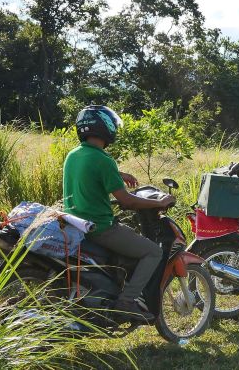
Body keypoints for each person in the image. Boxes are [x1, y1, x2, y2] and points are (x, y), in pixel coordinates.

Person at [62, 105, 174, 321]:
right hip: (101, 228)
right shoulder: (104, 160)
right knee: (153, 252)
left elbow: (90, 175)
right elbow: (127, 200)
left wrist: (118, 173)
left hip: (75, 225)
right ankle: (127, 301)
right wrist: (159, 202)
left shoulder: (74, 155)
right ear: (106, 128)